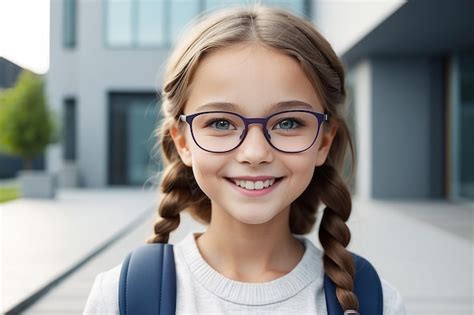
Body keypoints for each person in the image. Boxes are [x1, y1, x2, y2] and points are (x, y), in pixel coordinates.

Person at [84, 4, 407, 314]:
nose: (255, 153)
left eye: (288, 123)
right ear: (182, 141)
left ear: (324, 141)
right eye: (221, 123)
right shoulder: (118, 297)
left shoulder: (375, 302)